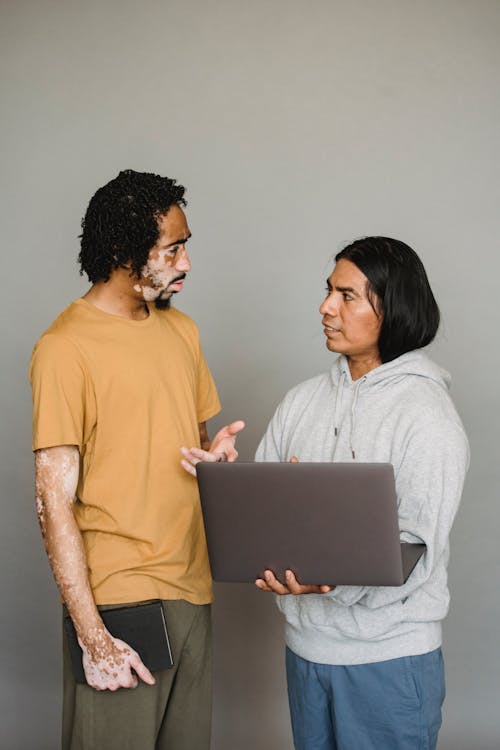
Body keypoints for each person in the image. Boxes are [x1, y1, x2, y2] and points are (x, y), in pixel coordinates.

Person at [182, 236, 469, 750]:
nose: (325, 307)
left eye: (347, 295)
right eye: (327, 291)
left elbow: (416, 550)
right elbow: (265, 513)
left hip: (389, 660)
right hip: (306, 654)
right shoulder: (301, 401)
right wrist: (223, 477)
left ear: (393, 307)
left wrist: (328, 583)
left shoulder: (428, 416)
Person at [30, 169, 244, 750]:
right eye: (173, 248)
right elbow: (52, 503)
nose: (187, 263)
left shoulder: (183, 332)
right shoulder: (63, 348)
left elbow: (189, 453)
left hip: (193, 591)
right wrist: (93, 636)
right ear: (126, 252)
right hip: (120, 602)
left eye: (186, 245)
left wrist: (218, 471)